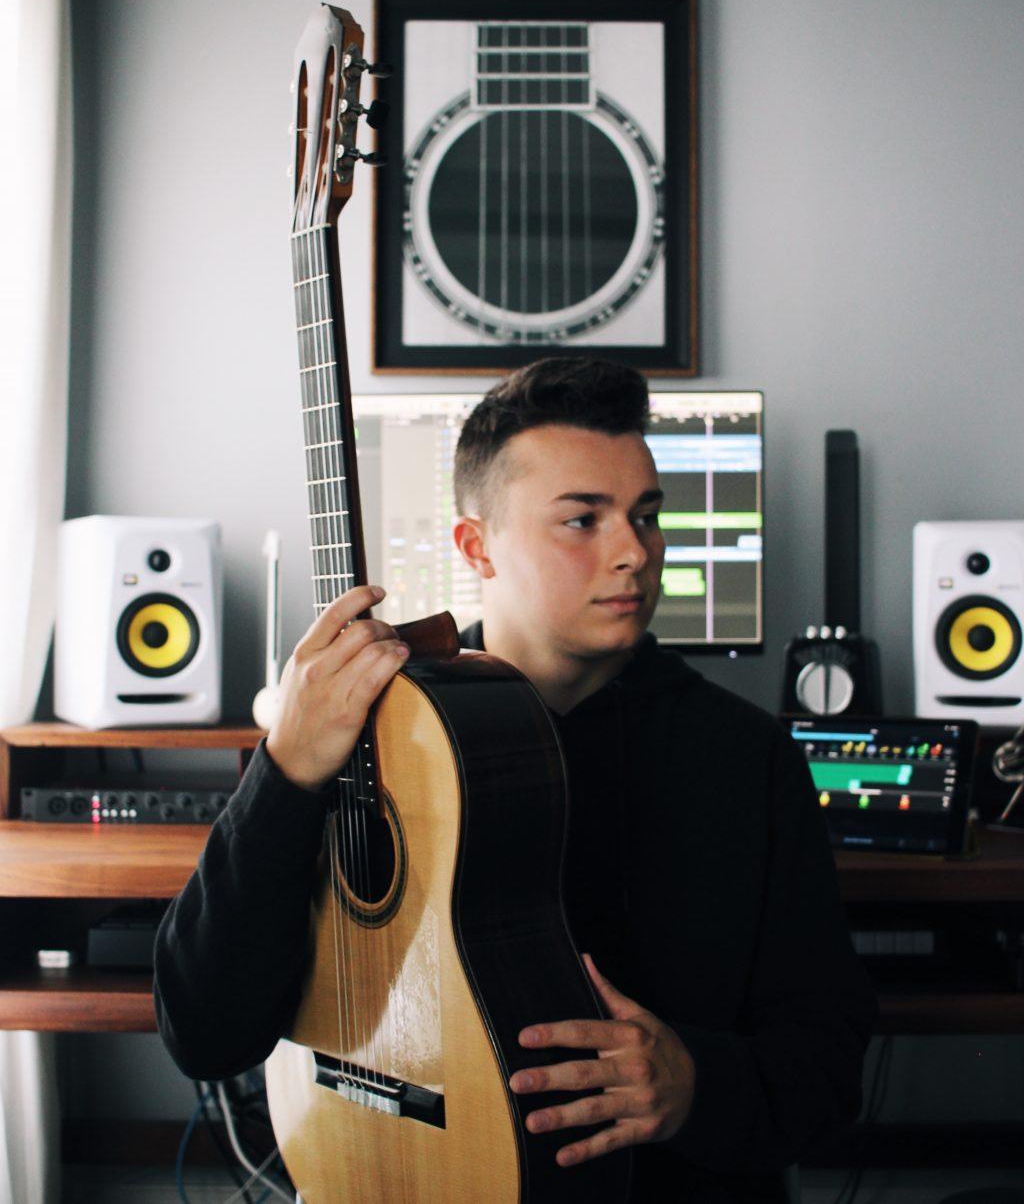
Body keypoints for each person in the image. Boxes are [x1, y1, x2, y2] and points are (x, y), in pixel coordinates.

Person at [154, 357, 877, 1203]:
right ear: (475, 546)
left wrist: (694, 1083)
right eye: (583, 520)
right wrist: (284, 772)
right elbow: (203, 1035)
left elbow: (829, 1066)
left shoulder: (749, 759)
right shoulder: (367, 736)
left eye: (646, 515)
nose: (634, 554)